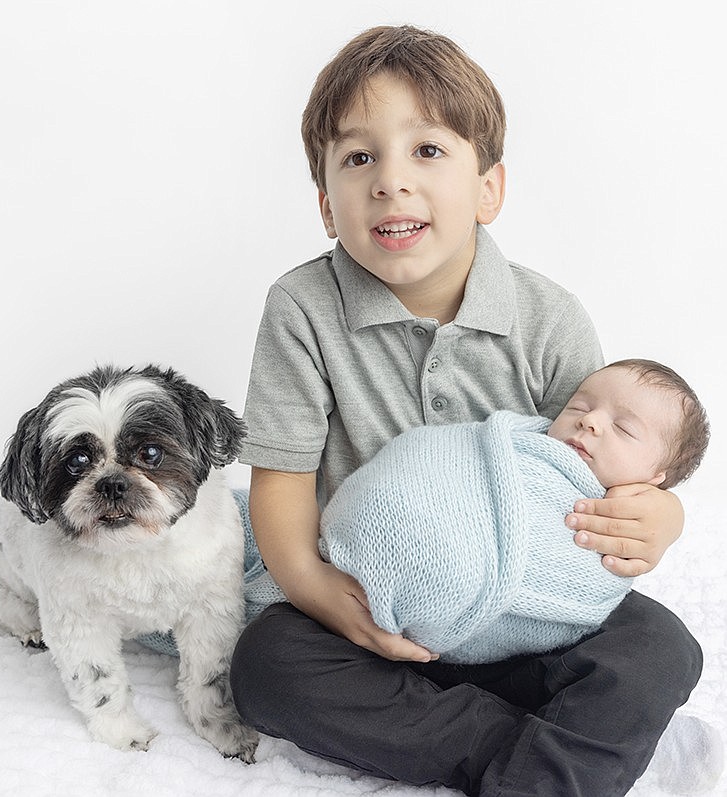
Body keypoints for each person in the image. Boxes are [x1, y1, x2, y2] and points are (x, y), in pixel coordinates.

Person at [230, 24, 719, 796]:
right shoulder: (301, 308)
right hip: (377, 607)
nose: (390, 181)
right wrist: (320, 591)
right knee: (266, 667)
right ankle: (539, 755)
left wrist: (661, 513)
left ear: (488, 186)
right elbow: (282, 477)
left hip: (524, 608)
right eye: (360, 157)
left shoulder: (546, 315)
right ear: (327, 205)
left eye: (427, 150)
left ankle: (509, 754)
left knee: (659, 647)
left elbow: (608, 462)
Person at [318, 359, 710, 665]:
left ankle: (469, 731)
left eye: (623, 429)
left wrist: (670, 513)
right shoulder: (513, 443)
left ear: (656, 477)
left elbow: (582, 582)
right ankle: (499, 732)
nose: (588, 420)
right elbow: (424, 460)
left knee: (665, 652)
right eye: (579, 406)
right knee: (272, 657)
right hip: (339, 596)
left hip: (495, 644)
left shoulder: (611, 528)